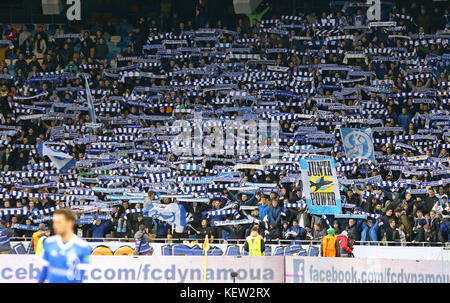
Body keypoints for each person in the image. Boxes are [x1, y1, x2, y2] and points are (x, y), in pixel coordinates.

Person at [38, 209, 91, 283]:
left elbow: (81, 276)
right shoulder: (49, 243)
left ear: (70, 223)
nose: (55, 226)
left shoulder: (83, 247)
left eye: (59, 222)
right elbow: (43, 272)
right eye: (54, 222)